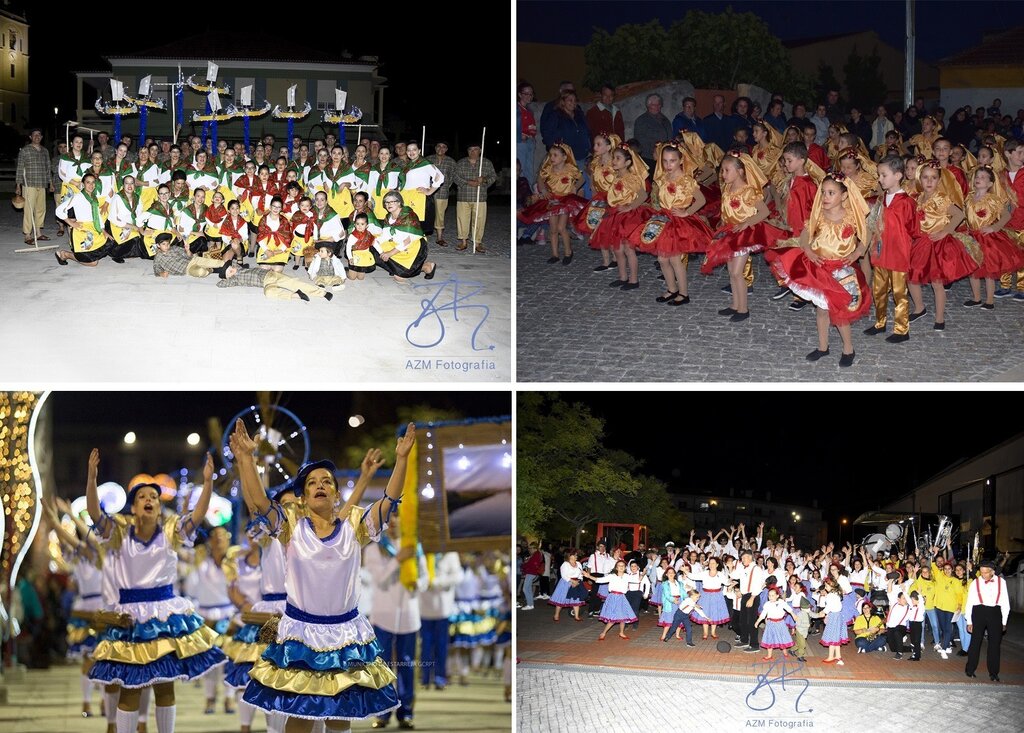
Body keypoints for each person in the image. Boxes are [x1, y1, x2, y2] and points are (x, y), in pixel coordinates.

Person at [232, 419, 414, 731]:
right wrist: (247, 459)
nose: (320, 485)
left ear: (336, 494)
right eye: (313, 482)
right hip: (301, 634)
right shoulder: (291, 526)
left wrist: (401, 460)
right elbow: (261, 503)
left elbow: (388, 502)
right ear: (302, 497)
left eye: (327, 481)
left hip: (345, 635)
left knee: (338, 719)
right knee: (300, 719)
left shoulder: (355, 526)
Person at [86, 448, 225, 733]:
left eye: (153, 497)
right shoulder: (120, 532)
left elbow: (196, 517)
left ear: (159, 507)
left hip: (164, 616)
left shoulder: (172, 531)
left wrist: (208, 484)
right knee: (131, 688)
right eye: (142, 497)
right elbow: (94, 513)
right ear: (133, 508)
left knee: (165, 688)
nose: (148, 500)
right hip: (131, 618)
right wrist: (91, 478)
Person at [701, 152, 787, 321]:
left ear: (740, 171)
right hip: (730, 232)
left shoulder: (748, 191)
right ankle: (735, 304)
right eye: (722, 171)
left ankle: (743, 308)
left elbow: (764, 211)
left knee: (737, 272)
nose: (723, 174)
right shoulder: (727, 188)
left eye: (727, 170)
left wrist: (747, 223)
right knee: (731, 272)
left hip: (744, 235)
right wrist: (722, 222)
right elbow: (726, 210)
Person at [630, 143, 710, 305]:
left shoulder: (687, 181)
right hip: (663, 219)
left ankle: (684, 293)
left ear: (681, 161)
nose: (668, 165)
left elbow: (701, 200)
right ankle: (672, 288)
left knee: (674, 259)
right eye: (665, 161)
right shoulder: (663, 179)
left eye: (672, 161)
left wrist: (686, 212)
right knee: (662, 259)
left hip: (679, 221)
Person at [907, 161, 980, 328]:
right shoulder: (917, 198)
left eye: (933, 178)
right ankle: (919, 307)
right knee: (911, 278)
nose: (929, 181)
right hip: (921, 243)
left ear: (939, 180)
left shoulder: (941, 198)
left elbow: (959, 214)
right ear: (920, 179)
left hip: (938, 244)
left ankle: (939, 317)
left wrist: (945, 231)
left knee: (937, 282)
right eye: (925, 177)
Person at [864, 156, 918, 343]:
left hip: (897, 256)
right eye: (879, 175)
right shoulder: (882, 199)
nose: (879, 178)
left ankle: (902, 329)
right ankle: (880, 322)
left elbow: (913, 229)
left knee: (899, 293)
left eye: (883, 175)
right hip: (880, 254)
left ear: (897, 176)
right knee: (878, 290)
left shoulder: (907, 202)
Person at [589, 144, 649, 288]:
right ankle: (623, 276)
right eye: (614, 158)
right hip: (615, 215)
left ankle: (634, 280)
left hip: (628, 217)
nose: (614, 161)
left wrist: (630, 207)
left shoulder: (631, 178)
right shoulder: (615, 177)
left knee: (628, 249)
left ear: (627, 162)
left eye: (618, 158)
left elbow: (643, 195)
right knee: (617, 249)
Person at [965, 166, 1024, 310]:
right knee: (973, 269)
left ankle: (990, 300)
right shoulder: (969, 197)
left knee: (988, 271)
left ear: (990, 184)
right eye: (977, 177)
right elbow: (967, 217)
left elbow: (1006, 215)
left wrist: (994, 227)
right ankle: (976, 297)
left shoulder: (992, 199)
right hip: (973, 237)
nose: (979, 179)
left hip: (987, 238)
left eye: (983, 177)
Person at [420, 551, 462, 691]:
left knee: (441, 647)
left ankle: (439, 678)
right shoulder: (421, 552)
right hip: (424, 608)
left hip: (443, 609)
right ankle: (425, 678)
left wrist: (438, 582)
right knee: (425, 647)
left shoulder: (450, 554)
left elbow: (458, 576)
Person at [374, 192, 438, 282]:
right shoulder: (388, 217)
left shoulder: (409, 216)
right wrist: (375, 242)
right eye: (386, 202)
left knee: (400, 277)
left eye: (392, 202)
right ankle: (395, 268)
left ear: (399, 202)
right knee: (372, 246)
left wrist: (389, 253)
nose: (388, 204)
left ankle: (427, 267)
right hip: (397, 244)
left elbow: (407, 241)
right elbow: (385, 235)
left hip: (413, 247)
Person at [964, 560, 1009, 682]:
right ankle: (970, 669)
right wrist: (969, 621)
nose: (983, 575)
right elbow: (970, 603)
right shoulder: (975, 583)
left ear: (992, 572)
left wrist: (1004, 621)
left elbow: (1005, 602)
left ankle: (994, 673)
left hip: (995, 612)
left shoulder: (1001, 582)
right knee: (975, 642)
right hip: (979, 612)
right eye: (981, 572)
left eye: (986, 572)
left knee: (994, 644)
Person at [454, 143, 497, 253]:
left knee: (479, 220)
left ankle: (477, 242)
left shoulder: (486, 163)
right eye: (470, 149)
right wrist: (468, 182)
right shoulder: (461, 163)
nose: (473, 152)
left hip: (480, 197)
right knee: (462, 219)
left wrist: (484, 179)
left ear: (480, 150)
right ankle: (463, 241)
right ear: (468, 151)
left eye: (475, 149)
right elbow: (455, 177)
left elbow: (493, 176)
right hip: (464, 196)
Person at [15, 128, 53, 245]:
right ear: (30, 137)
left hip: (42, 184)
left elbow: (48, 168)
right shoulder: (25, 151)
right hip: (29, 184)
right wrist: (18, 185)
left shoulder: (45, 151)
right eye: (34, 135)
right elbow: (20, 168)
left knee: (41, 209)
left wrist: (50, 183)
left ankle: (38, 233)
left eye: (39, 135)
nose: (37, 137)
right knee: (28, 210)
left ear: (41, 137)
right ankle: (27, 235)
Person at [997, 139, 1024, 299]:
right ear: (1008, 154)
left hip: (1022, 221)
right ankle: (1004, 285)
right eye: (1019, 152)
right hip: (1005, 223)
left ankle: (1021, 287)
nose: (1022, 156)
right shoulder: (1001, 175)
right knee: (1005, 253)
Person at [584, 560, 636, 640]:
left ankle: (621, 632)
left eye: (623, 565)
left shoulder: (627, 576)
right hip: (613, 597)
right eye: (619, 565)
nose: (621, 567)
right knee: (613, 617)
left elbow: (637, 580)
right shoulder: (612, 576)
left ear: (625, 567)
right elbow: (599, 580)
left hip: (622, 597)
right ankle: (603, 633)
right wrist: (589, 576)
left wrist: (642, 572)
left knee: (623, 616)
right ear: (616, 567)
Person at [426, 142, 457, 246]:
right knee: (426, 213)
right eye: (438, 146)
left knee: (440, 215)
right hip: (427, 192)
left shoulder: (451, 161)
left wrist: (447, 185)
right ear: (435, 148)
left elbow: (453, 176)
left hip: (442, 192)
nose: (441, 148)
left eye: (443, 147)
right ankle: (423, 237)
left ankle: (439, 237)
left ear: (446, 149)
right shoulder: (427, 159)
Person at [756, 586, 797, 661]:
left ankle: (785, 652)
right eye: (769, 595)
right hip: (770, 623)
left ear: (777, 595)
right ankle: (769, 655)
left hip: (780, 623)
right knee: (769, 638)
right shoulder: (767, 604)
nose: (770, 597)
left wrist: (793, 615)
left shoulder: (781, 602)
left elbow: (788, 609)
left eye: (772, 595)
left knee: (782, 638)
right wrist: (758, 621)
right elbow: (763, 614)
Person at [633, 94, 673, 169]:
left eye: (659, 104)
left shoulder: (664, 119)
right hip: (648, 158)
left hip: (664, 157)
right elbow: (640, 141)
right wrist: (655, 151)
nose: (658, 107)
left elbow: (670, 136)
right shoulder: (641, 120)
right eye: (654, 105)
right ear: (648, 106)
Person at [517, 82, 538, 186]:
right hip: (521, 142)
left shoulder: (529, 110)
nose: (529, 96)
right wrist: (519, 135)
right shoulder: (517, 108)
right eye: (526, 93)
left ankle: (528, 194)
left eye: (531, 94)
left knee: (529, 169)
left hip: (530, 142)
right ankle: (521, 193)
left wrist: (533, 138)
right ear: (520, 94)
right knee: (522, 169)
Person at [520, 542, 543, 611]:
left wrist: (524, 564)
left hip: (531, 573)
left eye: (530, 548)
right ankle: (530, 604)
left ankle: (529, 604)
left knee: (525, 589)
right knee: (528, 589)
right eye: (529, 548)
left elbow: (531, 564)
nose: (529, 549)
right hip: (532, 573)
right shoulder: (536, 554)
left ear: (535, 548)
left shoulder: (536, 555)